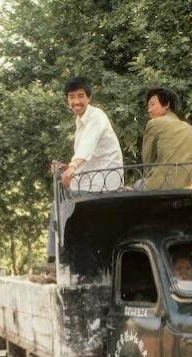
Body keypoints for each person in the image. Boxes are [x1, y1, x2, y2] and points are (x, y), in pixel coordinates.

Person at [47, 76, 125, 262]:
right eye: (71, 97)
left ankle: (58, 260)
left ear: (88, 98)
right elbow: (86, 155)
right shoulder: (80, 121)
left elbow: (87, 147)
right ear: (67, 100)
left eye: (80, 96)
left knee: (61, 206)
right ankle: (56, 259)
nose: (76, 101)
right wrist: (67, 167)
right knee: (58, 204)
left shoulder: (96, 116)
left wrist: (72, 167)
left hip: (103, 182)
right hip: (90, 179)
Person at [141, 87, 192, 190]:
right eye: (148, 107)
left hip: (160, 189)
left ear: (166, 105)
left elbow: (147, 164)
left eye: (152, 104)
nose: (149, 110)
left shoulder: (154, 124)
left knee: (132, 187)